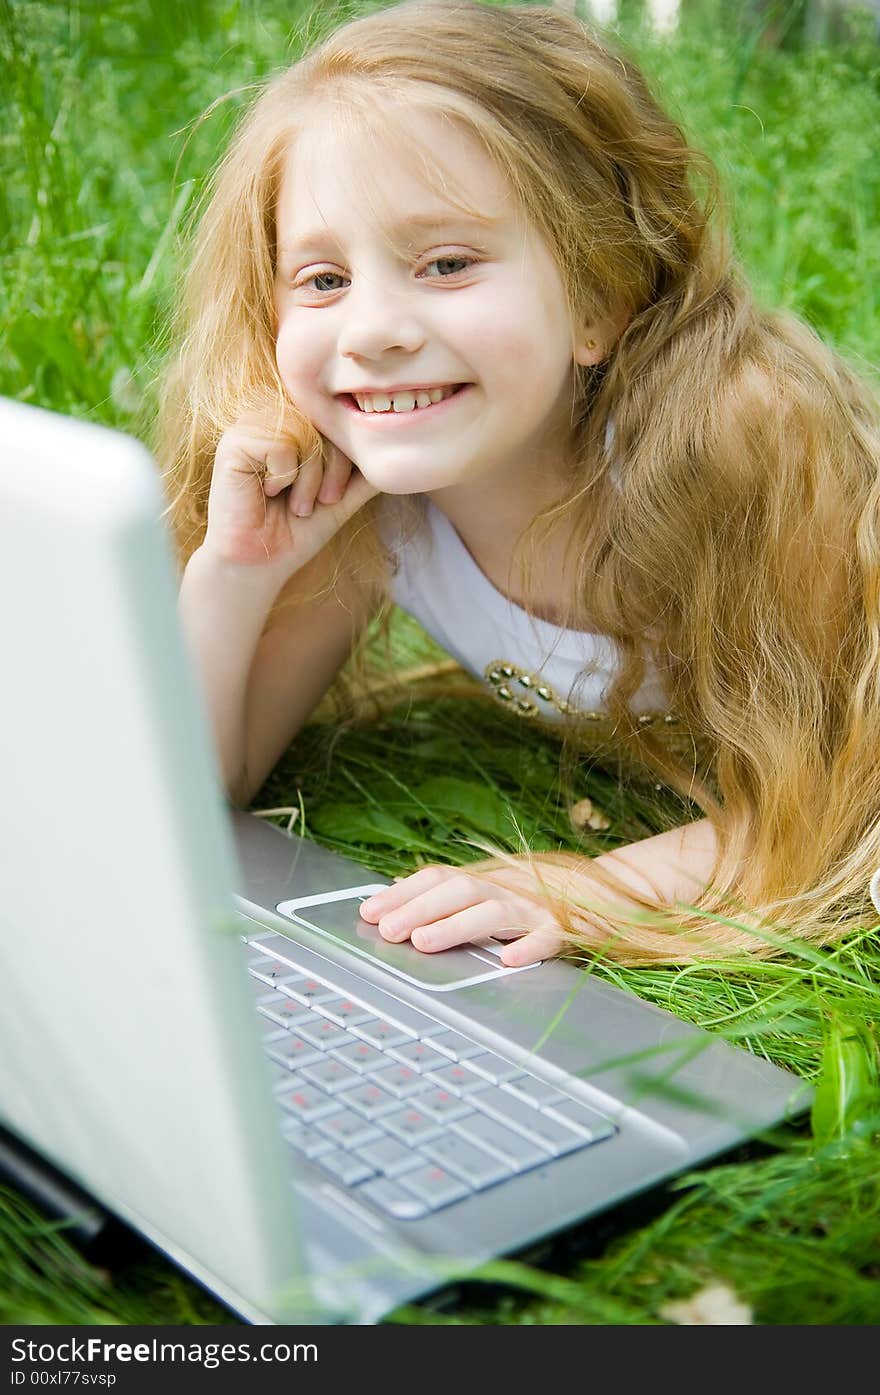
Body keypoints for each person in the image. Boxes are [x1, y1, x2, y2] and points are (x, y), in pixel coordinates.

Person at [163, 0, 880, 968]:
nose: (372, 330)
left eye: (446, 263)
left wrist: (586, 890)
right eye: (323, 280)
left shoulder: (740, 436)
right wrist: (233, 577)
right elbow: (200, 784)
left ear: (596, 296)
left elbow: (834, 804)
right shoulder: (367, 495)